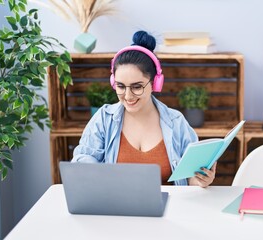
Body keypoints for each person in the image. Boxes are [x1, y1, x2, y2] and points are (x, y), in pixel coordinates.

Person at [71, 30, 217, 187]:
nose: (128, 96)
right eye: (120, 86)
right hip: (117, 208)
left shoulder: (176, 122)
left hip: (170, 209)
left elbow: (190, 178)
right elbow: (84, 157)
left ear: (155, 83)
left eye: (137, 87)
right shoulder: (104, 118)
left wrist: (200, 180)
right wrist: (91, 171)